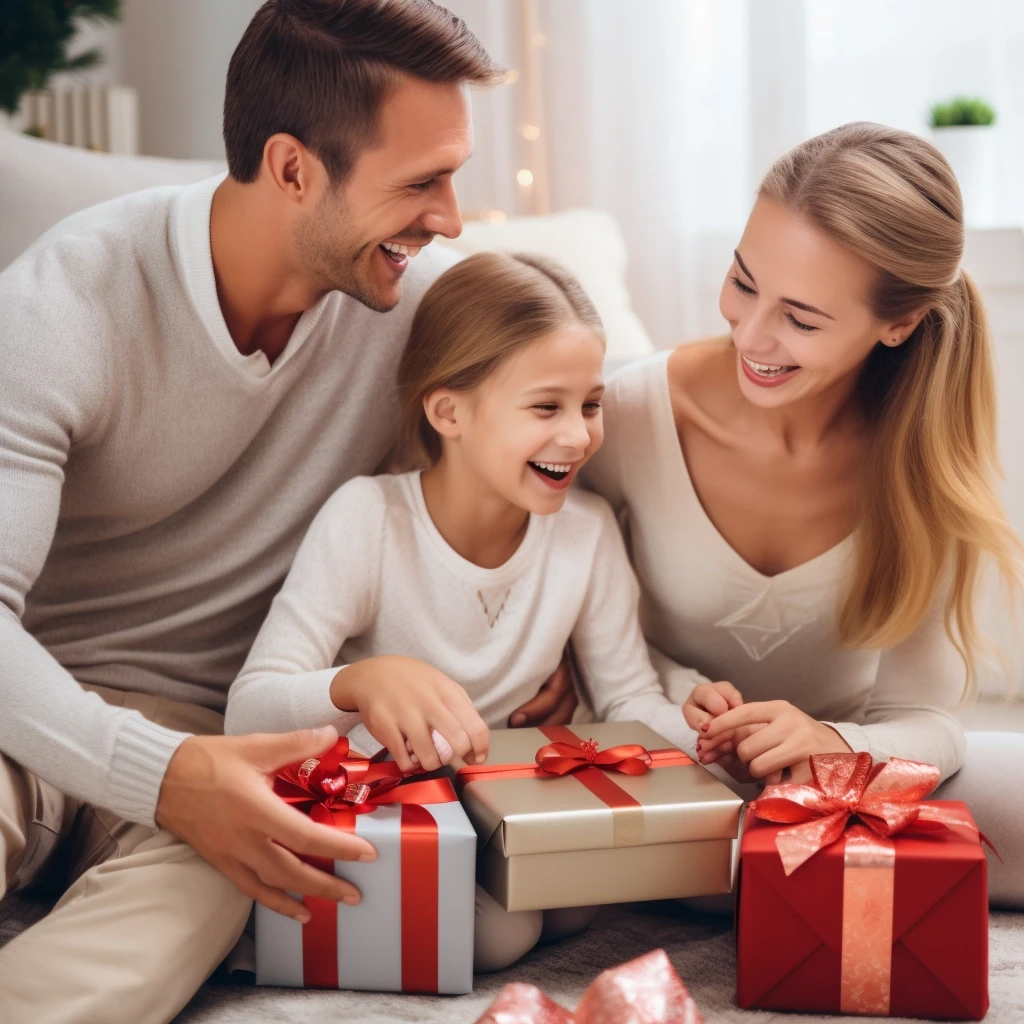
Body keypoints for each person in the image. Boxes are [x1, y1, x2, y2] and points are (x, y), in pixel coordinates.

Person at [0, 4, 572, 1021]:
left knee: (229, 882)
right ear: (294, 168)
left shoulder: (423, 315)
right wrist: (155, 770)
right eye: (421, 180)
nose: (449, 215)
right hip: (21, 709)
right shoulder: (62, 306)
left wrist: (534, 624)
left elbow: (578, 415)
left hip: (226, 744)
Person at [584, 121, 1024, 907]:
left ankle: (760, 874)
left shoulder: (924, 458)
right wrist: (678, 695)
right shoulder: (629, 415)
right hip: (657, 752)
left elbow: (926, 718)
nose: (750, 334)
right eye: (743, 281)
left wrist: (832, 744)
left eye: (802, 318)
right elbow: (570, 631)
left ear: (899, 323)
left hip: (838, 771)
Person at [226, 250, 693, 970]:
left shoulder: (587, 531)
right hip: (383, 810)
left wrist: (713, 743)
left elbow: (627, 696)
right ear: (449, 411)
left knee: (580, 900)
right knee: (502, 934)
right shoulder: (369, 519)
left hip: (493, 807)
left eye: (590, 404)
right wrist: (359, 683)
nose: (578, 435)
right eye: (547, 406)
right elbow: (247, 711)